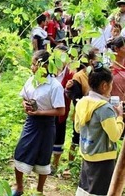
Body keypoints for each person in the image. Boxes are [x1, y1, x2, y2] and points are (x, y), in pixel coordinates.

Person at [12, 50, 65, 196]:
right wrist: (25, 105)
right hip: (31, 122)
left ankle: (39, 191)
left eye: (35, 64)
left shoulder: (54, 86)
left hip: (46, 125)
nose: (32, 67)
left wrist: (40, 112)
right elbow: (24, 97)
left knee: (43, 158)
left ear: (44, 65)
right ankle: (19, 187)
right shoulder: (31, 81)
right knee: (20, 153)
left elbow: (60, 111)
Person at [75, 62, 124, 196]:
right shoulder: (104, 108)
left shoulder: (82, 102)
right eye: (111, 85)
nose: (111, 88)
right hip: (103, 159)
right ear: (104, 85)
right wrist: (119, 117)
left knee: (85, 190)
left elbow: (77, 128)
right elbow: (114, 136)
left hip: (87, 153)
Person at [64, 48, 99, 176]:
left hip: (97, 115)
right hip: (81, 115)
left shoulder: (98, 74)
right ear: (90, 61)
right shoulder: (78, 76)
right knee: (76, 139)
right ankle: (70, 165)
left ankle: (88, 168)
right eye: (97, 58)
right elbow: (75, 98)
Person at [51, 45, 73, 174]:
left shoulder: (71, 73)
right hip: (48, 108)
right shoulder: (48, 70)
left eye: (62, 56)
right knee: (47, 135)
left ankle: (55, 163)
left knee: (59, 136)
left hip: (61, 110)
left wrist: (69, 88)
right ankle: (44, 161)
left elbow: (73, 93)